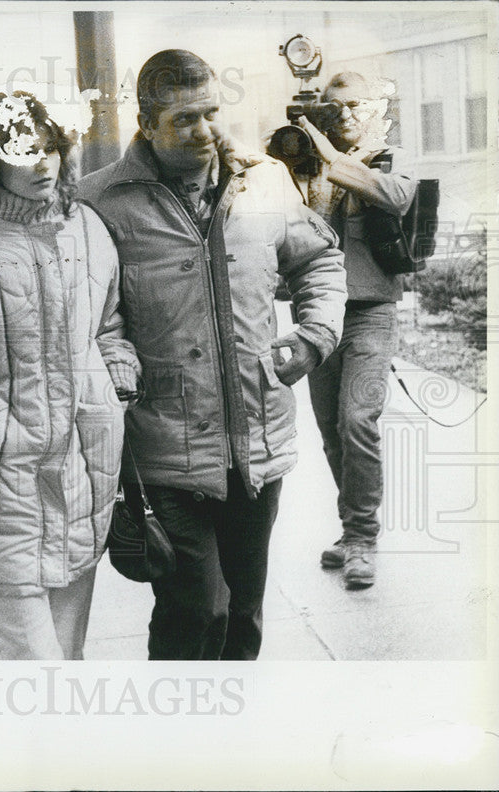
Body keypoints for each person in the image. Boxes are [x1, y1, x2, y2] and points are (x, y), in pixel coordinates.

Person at [78, 50, 346, 660]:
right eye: (184, 120)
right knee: (197, 606)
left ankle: (232, 736)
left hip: (257, 438)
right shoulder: (101, 203)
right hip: (164, 445)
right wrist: (117, 363)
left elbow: (320, 260)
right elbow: (96, 315)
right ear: (146, 124)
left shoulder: (266, 179)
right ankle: (176, 739)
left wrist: (313, 336)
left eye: (211, 113)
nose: (205, 131)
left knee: (245, 611)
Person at [0, 91, 140, 660]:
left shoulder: (88, 227)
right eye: (23, 150)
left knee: (67, 657)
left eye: (50, 149)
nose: (42, 163)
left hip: (84, 464)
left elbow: (109, 323)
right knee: (31, 660)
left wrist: (116, 378)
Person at [294, 72, 417, 589]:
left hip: (370, 312)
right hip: (318, 314)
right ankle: (351, 532)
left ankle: (363, 538)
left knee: (357, 421)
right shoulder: (304, 163)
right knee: (331, 430)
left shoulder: (387, 157)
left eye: (353, 105)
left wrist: (328, 155)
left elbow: (397, 196)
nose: (344, 114)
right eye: (333, 106)